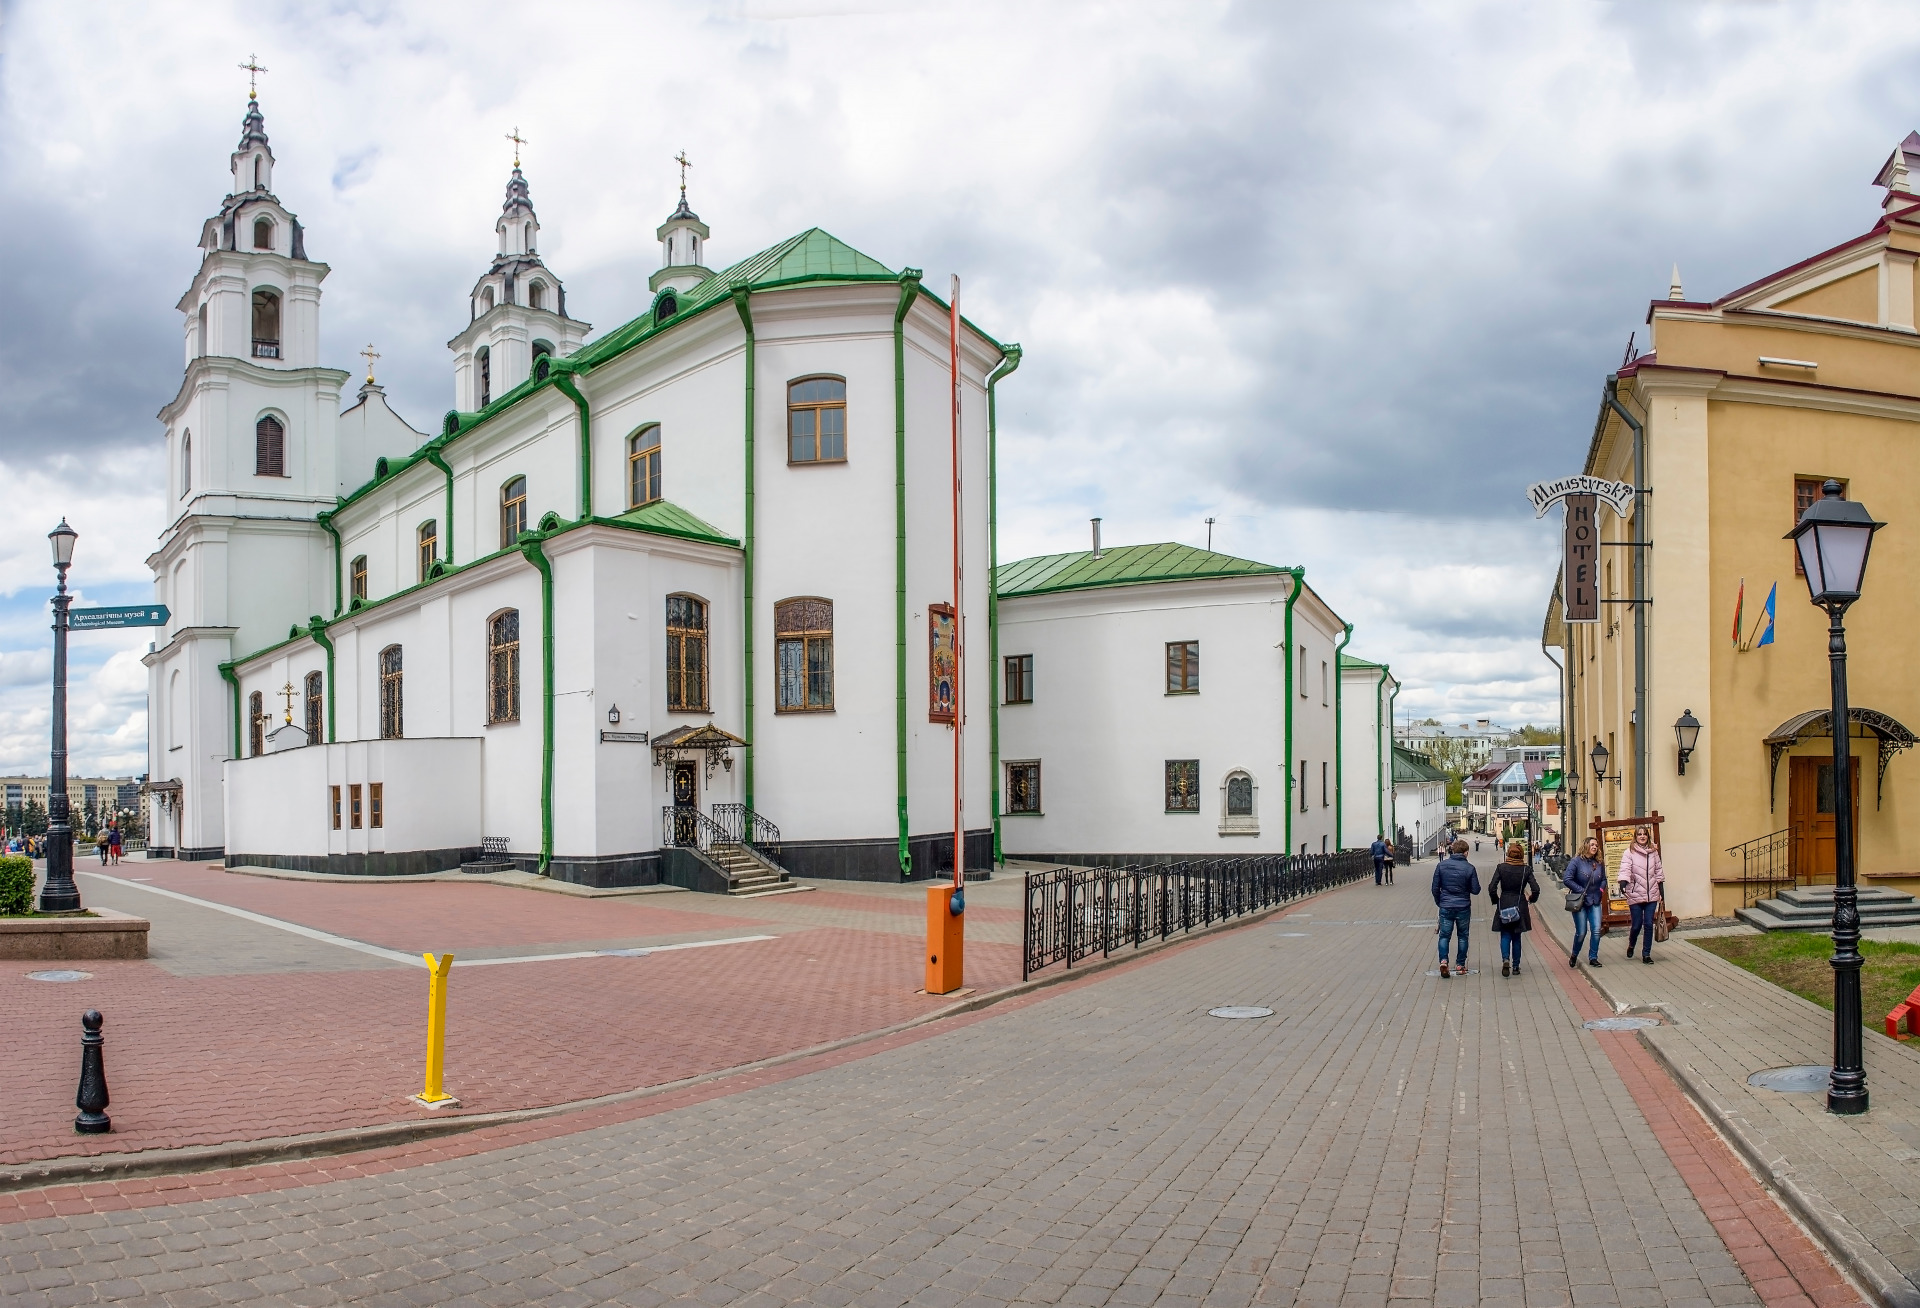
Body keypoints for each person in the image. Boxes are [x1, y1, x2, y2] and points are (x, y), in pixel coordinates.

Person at [1489, 840, 1541, 976]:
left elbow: (1491, 887)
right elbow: (1536, 889)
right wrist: (1531, 899)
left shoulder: (1501, 867)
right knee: (1517, 936)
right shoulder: (1526, 869)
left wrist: (1496, 900)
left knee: (1505, 934)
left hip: (1504, 902)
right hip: (1520, 904)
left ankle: (1506, 959)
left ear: (1508, 854)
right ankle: (1516, 966)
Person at [1431, 839, 1481, 978]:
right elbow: (1476, 890)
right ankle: (1460, 964)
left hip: (1446, 906)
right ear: (1466, 853)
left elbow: (1435, 888)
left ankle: (1443, 961)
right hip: (1463, 907)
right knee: (1463, 936)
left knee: (1444, 936)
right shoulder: (1470, 868)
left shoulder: (1441, 866)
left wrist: (1440, 901)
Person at [1620, 827, 1665, 963]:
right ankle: (1631, 944)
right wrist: (1623, 882)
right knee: (1636, 925)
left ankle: (1646, 954)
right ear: (1635, 836)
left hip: (1651, 894)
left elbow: (1658, 871)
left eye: (1645, 834)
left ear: (1648, 836)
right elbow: (1625, 868)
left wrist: (1661, 891)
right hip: (1635, 893)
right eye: (1639, 834)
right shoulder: (1629, 852)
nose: (1642, 836)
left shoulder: (1653, 852)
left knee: (1648, 924)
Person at [1562, 836, 1607, 968]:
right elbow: (1567, 879)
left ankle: (1593, 957)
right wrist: (1580, 890)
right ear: (1586, 845)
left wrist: (1600, 890)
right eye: (1592, 844)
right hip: (1580, 901)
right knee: (1581, 932)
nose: (1595, 847)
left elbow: (1604, 879)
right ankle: (1574, 954)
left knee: (1597, 930)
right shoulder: (1576, 862)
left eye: (1596, 845)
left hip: (1595, 900)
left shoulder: (1599, 862)